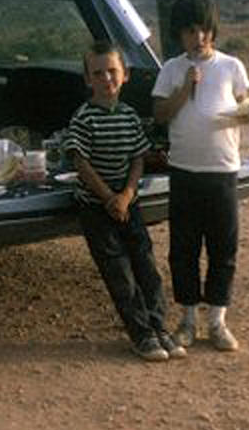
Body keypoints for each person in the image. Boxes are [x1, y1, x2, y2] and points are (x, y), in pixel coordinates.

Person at [67, 41, 186, 362]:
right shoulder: (84, 118)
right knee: (118, 271)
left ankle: (159, 326)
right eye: (98, 73)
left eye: (112, 71)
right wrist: (108, 198)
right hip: (96, 206)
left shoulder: (130, 116)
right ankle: (141, 334)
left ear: (126, 74)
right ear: (87, 79)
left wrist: (127, 195)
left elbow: (138, 158)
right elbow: (81, 162)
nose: (106, 79)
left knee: (145, 264)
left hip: (127, 202)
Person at [152, 0, 249, 352]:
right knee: (184, 248)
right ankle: (188, 321)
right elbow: (160, 115)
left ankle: (218, 321)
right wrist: (185, 88)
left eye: (205, 30)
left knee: (223, 247)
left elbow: (246, 104)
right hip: (184, 171)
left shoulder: (231, 66)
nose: (199, 38)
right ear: (179, 34)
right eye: (191, 31)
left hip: (222, 170)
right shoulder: (171, 69)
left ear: (213, 31)